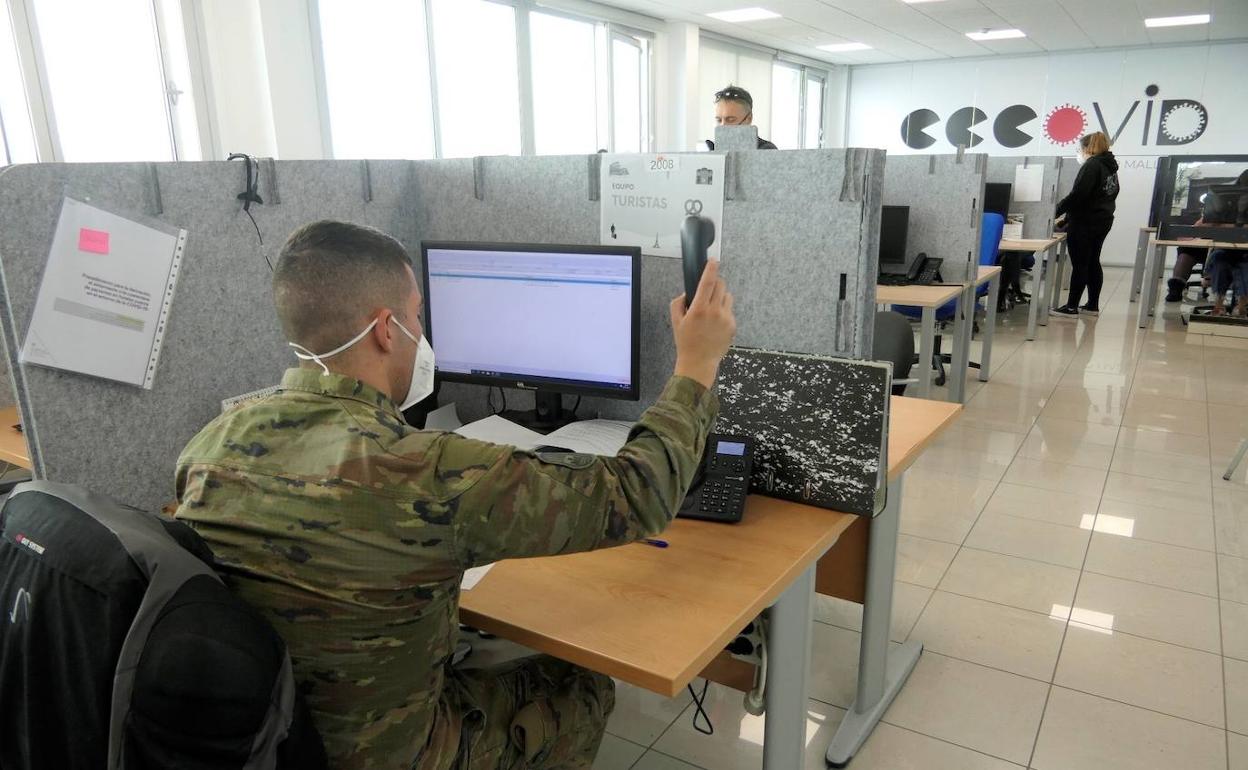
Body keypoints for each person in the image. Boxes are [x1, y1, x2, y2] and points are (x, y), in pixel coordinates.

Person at [172, 221, 737, 770]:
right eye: (418, 315)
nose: (423, 335)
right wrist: (697, 363)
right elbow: (639, 494)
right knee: (580, 687)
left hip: (262, 738)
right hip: (394, 755)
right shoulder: (426, 470)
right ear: (386, 329)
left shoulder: (209, 447)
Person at [1052, 131, 1120, 318]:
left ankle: (1071, 307)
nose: (1079, 153)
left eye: (1079, 149)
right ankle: (1092, 305)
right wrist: (1067, 219)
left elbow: (1078, 195)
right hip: (1103, 219)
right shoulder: (1109, 166)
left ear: (1087, 148)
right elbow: (1102, 194)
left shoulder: (1092, 165)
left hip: (1085, 222)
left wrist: (1054, 211)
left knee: (1080, 264)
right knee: (1092, 261)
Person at [704, 84, 778, 150]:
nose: (722, 126)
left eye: (730, 120)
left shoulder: (767, 151)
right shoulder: (713, 151)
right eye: (719, 120)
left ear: (748, 119)